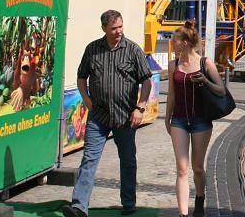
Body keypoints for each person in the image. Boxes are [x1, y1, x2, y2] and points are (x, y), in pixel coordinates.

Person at [62, 11, 153, 217]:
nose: (119, 31)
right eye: (114, 28)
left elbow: (146, 81)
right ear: (104, 28)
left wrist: (140, 107)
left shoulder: (132, 50)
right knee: (89, 159)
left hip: (125, 116)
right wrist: (86, 98)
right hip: (99, 116)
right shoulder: (93, 49)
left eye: (120, 26)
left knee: (128, 160)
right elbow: (81, 77)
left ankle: (128, 204)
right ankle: (79, 206)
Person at [166, 21, 226, 217]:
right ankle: (183, 213)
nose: (172, 44)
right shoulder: (173, 64)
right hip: (179, 120)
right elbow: (172, 95)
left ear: (184, 43)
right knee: (181, 168)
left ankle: (200, 198)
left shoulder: (205, 63)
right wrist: (167, 118)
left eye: (175, 41)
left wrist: (205, 81)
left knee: (197, 167)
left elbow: (221, 90)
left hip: (201, 120)